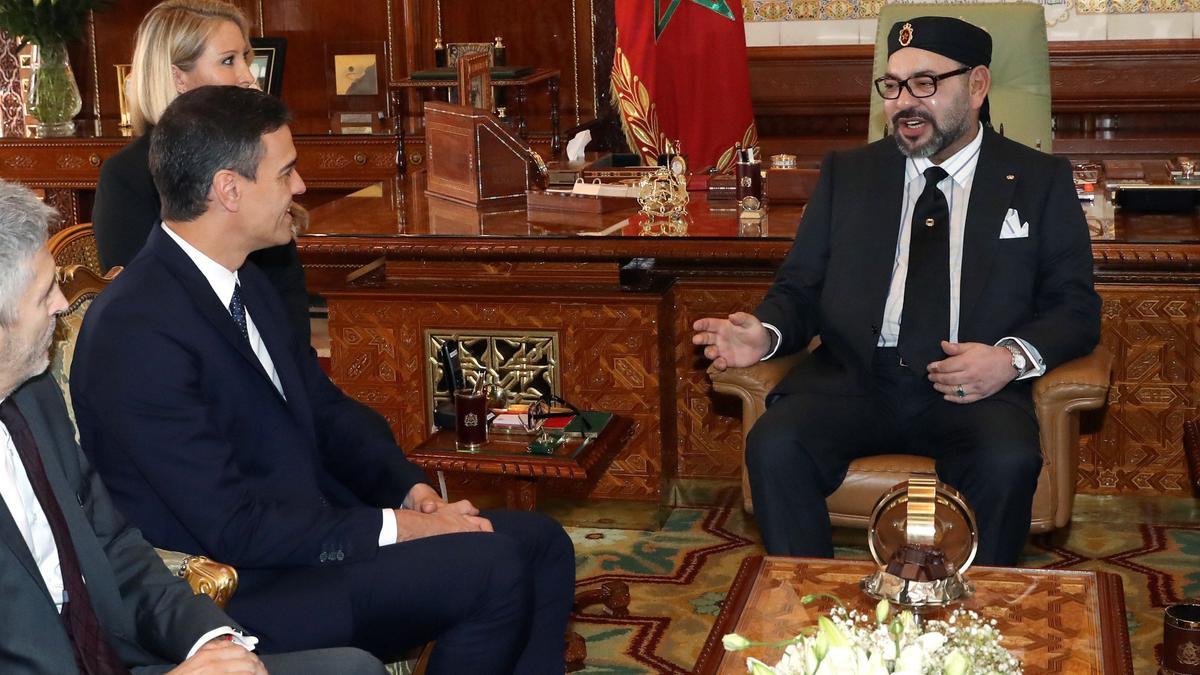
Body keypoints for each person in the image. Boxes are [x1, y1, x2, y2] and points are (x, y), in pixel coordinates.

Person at [70, 85, 575, 674]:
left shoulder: (246, 282)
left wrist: (410, 492)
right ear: (229, 190)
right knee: (492, 569)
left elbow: (327, 412)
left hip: (308, 541)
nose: (301, 188)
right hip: (240, 588)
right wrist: (400, 529)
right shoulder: (137, 330)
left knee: (541, 544)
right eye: (285, 173)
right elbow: (232, 524)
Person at [693, 16, 1100, 566]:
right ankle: (809, 607)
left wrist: (1008, 359)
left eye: (925, 83)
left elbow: (1075, 308)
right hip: (857, 379)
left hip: (972, 387)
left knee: (1006, 460)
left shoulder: (1037, 179)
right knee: (775, 445)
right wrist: (764, 335)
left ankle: (972, 625)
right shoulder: (849, 174)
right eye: (893, 85)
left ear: (977, 86)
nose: (906, 102)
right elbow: (801, 287)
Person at [0, 180, 386, 674]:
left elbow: (115, 547)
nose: (61, 305)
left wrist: (209, 639)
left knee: (353, 669)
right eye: (44, 294)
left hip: (114, 657)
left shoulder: (32, 399)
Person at [92, 0, 311, 343]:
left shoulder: (260, 152)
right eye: (228, 61)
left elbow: (287, 288)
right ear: (178, 77)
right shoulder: (128, 175)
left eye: (246, 59)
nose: (247, 77)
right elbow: (141, 306)